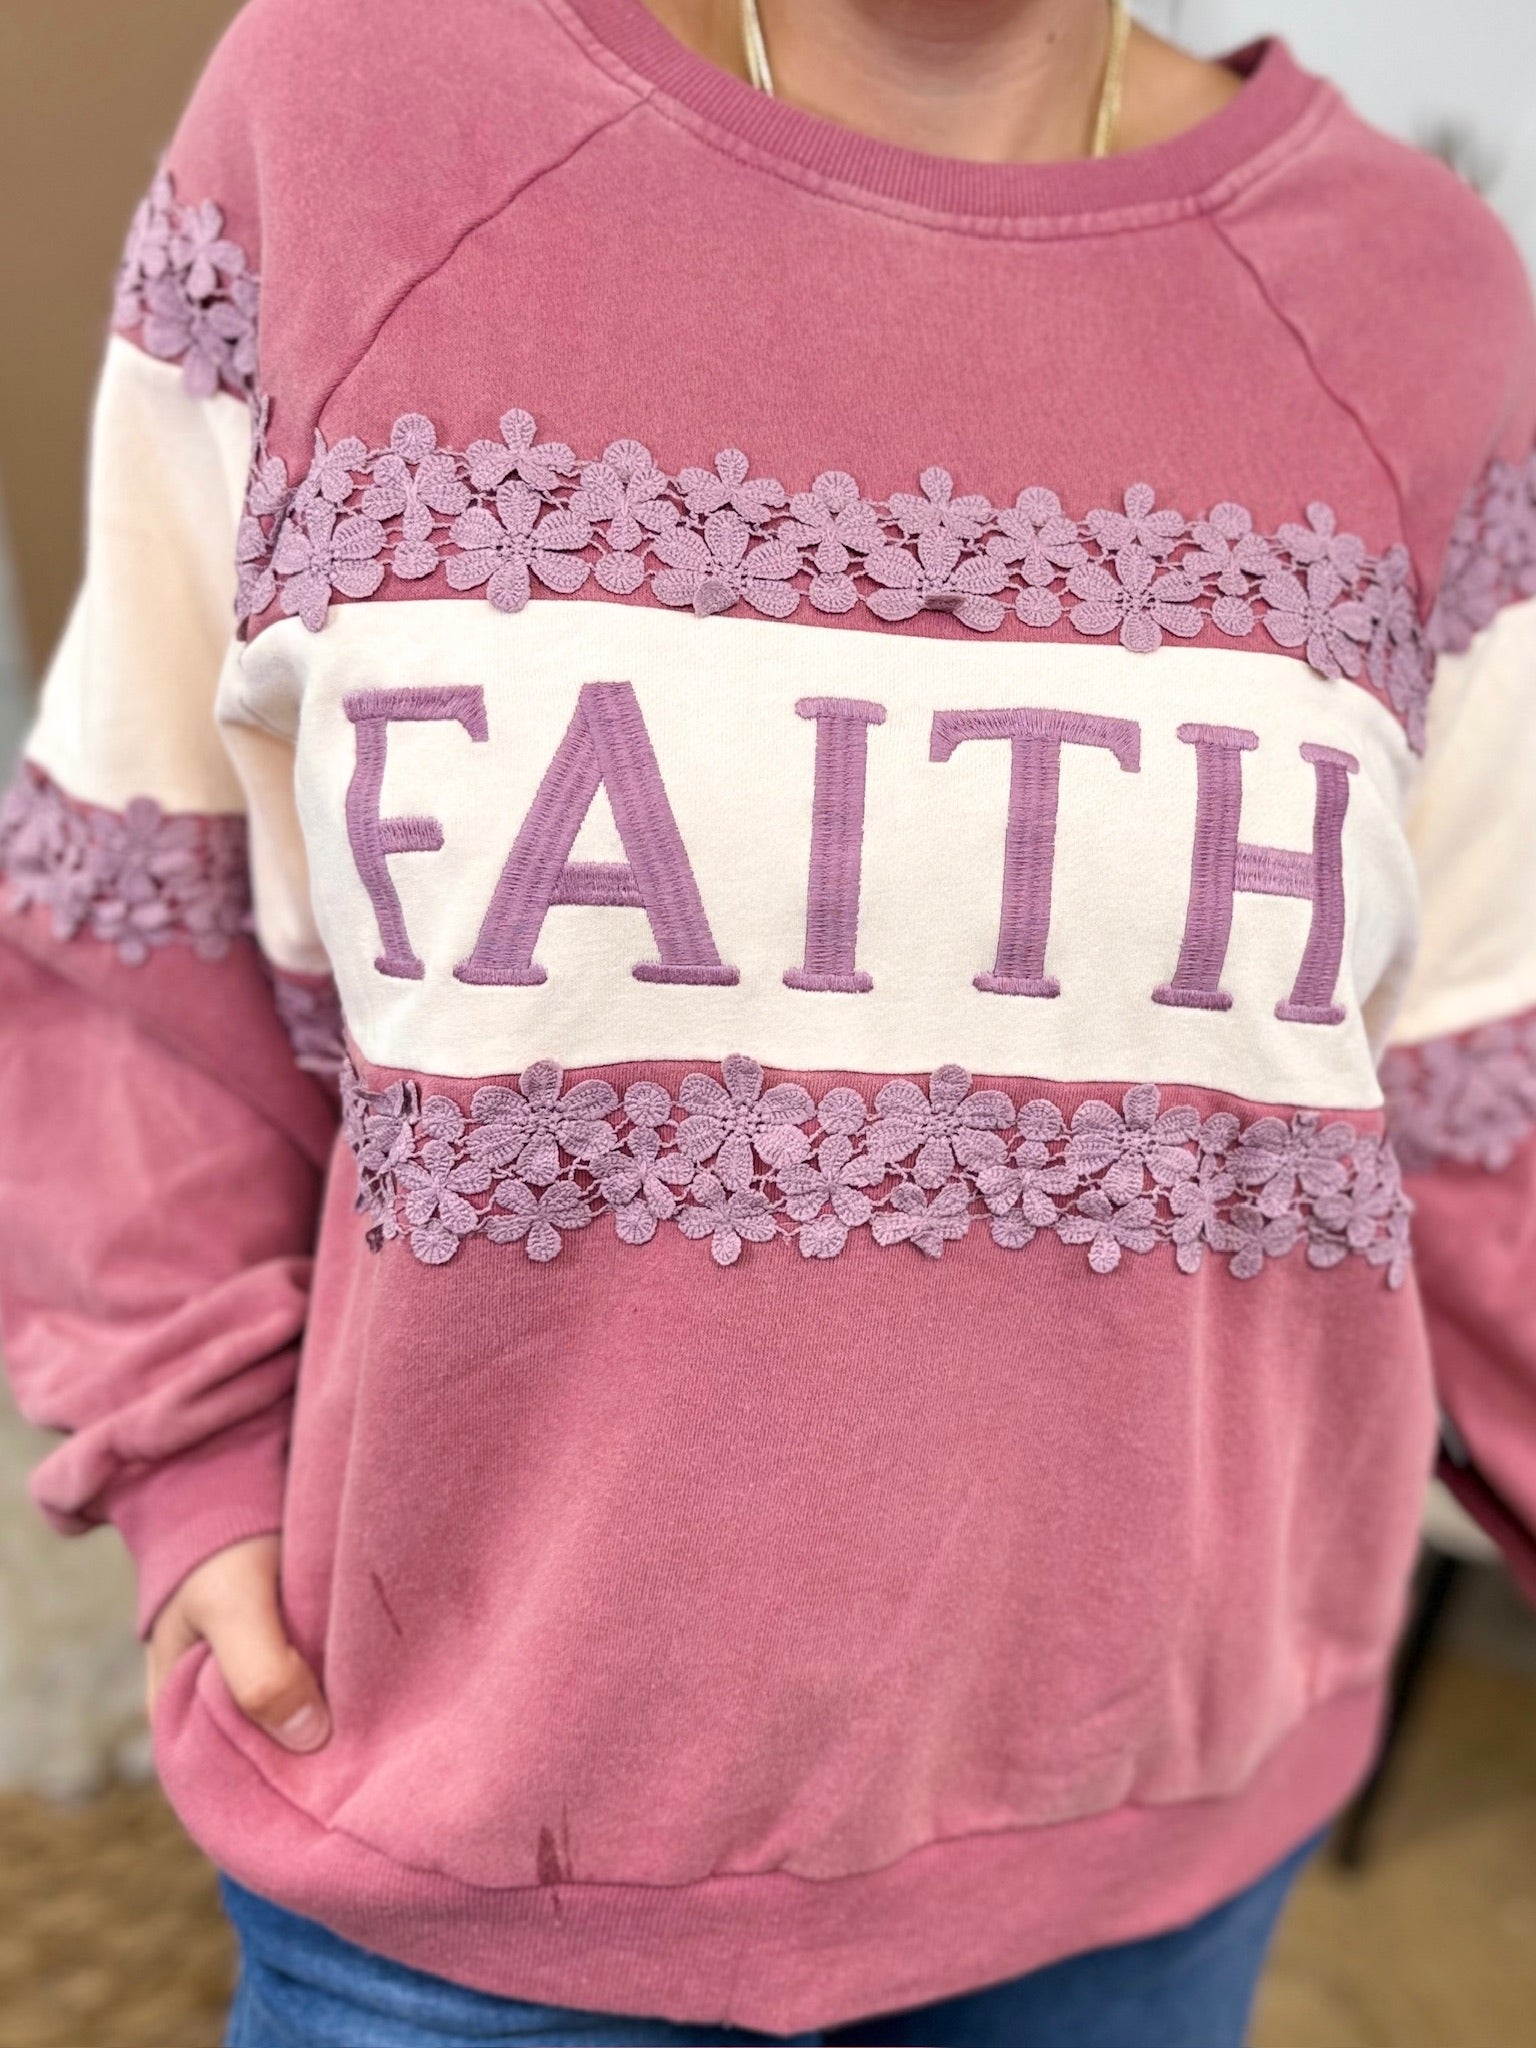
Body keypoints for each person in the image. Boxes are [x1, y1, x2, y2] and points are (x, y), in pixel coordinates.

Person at [2, 0, 1534, 2040]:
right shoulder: (354, 112)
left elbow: (1485, 1089)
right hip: (477, 1850)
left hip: (1144, 1839)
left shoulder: (1418, 294)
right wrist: (187, 1437)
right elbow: (138, 903)